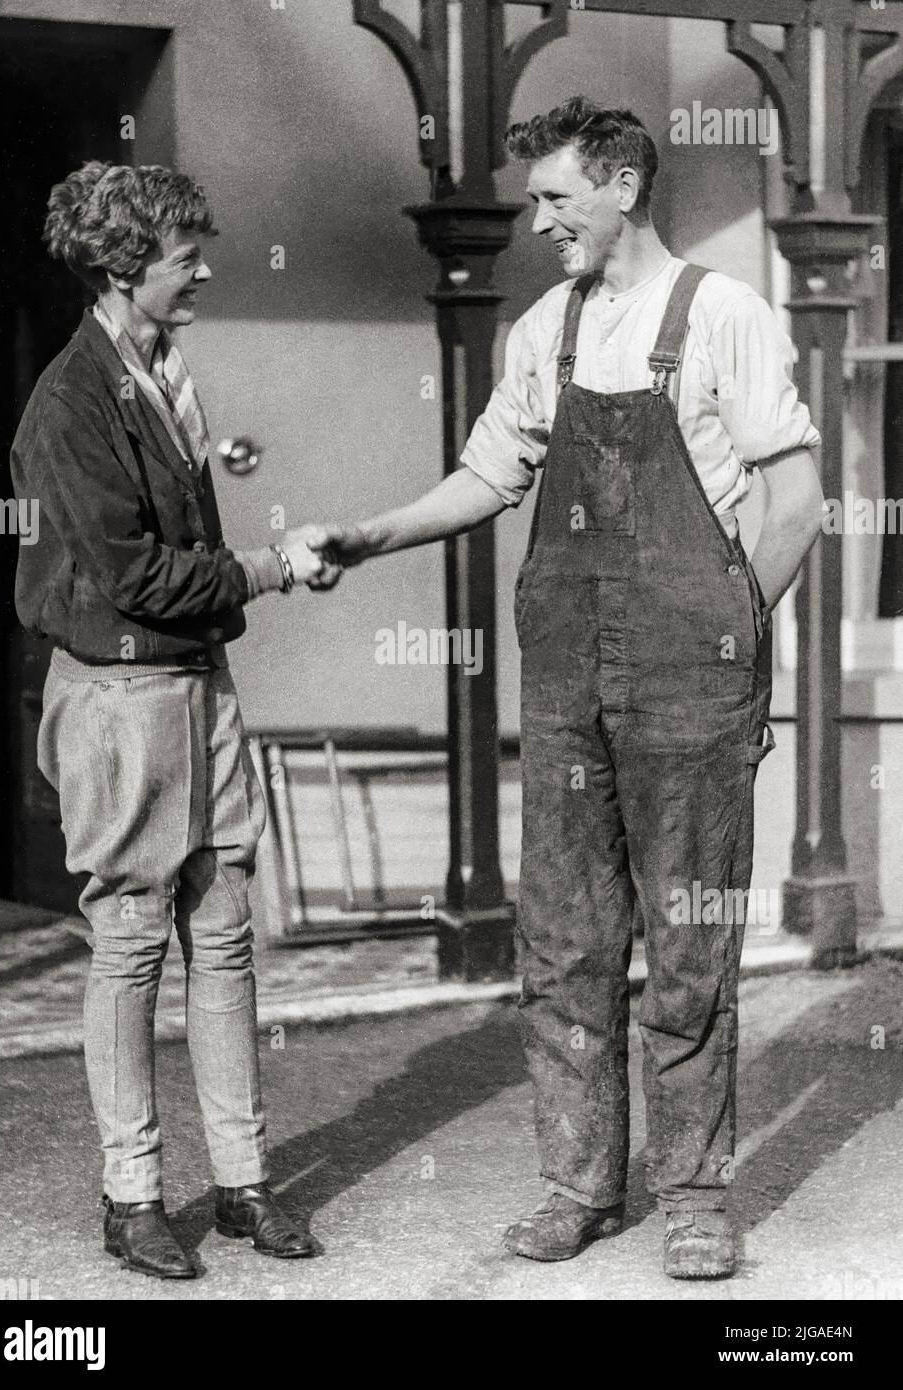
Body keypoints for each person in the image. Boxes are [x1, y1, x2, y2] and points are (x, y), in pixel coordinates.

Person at [317, 98, 824, 1278]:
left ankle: (693, 1192)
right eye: (536, 199)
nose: (538, 220)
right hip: (565, 685)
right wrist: (372, 534)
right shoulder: (542, 327)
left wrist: (727, 635)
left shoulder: (722, 316)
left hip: (690, 682)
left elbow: (793, 503)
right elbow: (489, 473)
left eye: (555, 198)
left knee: (688, 945)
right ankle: (580, 1183)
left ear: (622, 189)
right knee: (564, 944)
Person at [10, 161, 341, 1280]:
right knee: (134, 940)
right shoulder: (69, 400)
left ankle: (243, 1185)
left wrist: (215, 459)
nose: (203, 265)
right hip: (123, 694)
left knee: (226, 930)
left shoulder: (154, 366)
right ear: (120, 266)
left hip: (196, 685)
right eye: (182, 252)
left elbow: (159, 500)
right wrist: (273, 567)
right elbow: (135, 573)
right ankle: (133, 1194)